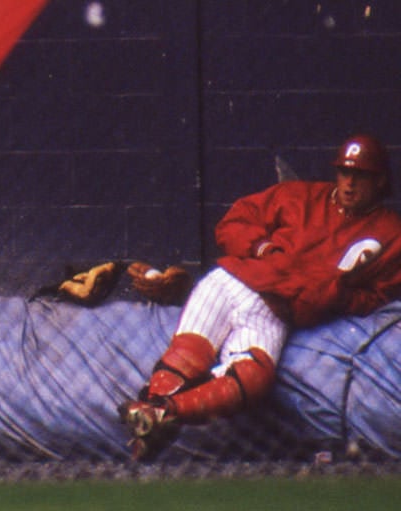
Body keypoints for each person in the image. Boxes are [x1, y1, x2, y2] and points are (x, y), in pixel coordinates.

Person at [120, 133, 401, 460]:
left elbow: (379, 294)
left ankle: (157, 414)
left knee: (253, 379)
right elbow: (235, 220)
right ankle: (156, 414)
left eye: (361, 176)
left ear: (380, 181)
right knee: (188, 354)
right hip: (235, 281)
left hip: (275, 312)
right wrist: (260, 247)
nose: (350, 183)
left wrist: (336, 296)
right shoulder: (300, 196)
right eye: (344, 172)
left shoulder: (390, 233)